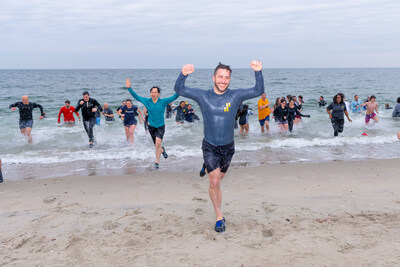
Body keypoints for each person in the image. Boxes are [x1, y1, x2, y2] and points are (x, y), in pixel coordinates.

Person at [174, 60, 264, 233]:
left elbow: (258, 90)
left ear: (230, 79)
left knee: (219, 178)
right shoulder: (203, 96)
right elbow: (179, 90)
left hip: (228, 148)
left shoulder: (235, 96)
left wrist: (258, 72)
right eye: (220, 77)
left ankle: (207, 167)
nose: (223, 80)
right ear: (213, 77)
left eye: (227, 77)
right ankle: (219, 217)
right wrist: (183, 74)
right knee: (214, 181)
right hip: (210, 146)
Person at [125, 81, 179, 169]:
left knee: (158, 143)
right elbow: (136, 97)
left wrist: (180, 89)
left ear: (158, 93)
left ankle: (157, 162)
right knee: (157, 145)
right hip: (151, 127)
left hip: (160, 126)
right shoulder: (147, 101)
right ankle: (162, 150)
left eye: (155, 92)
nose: (153, 94)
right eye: (152, 92)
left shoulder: (163, 101)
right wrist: (129, 88)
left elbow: (174, 97)